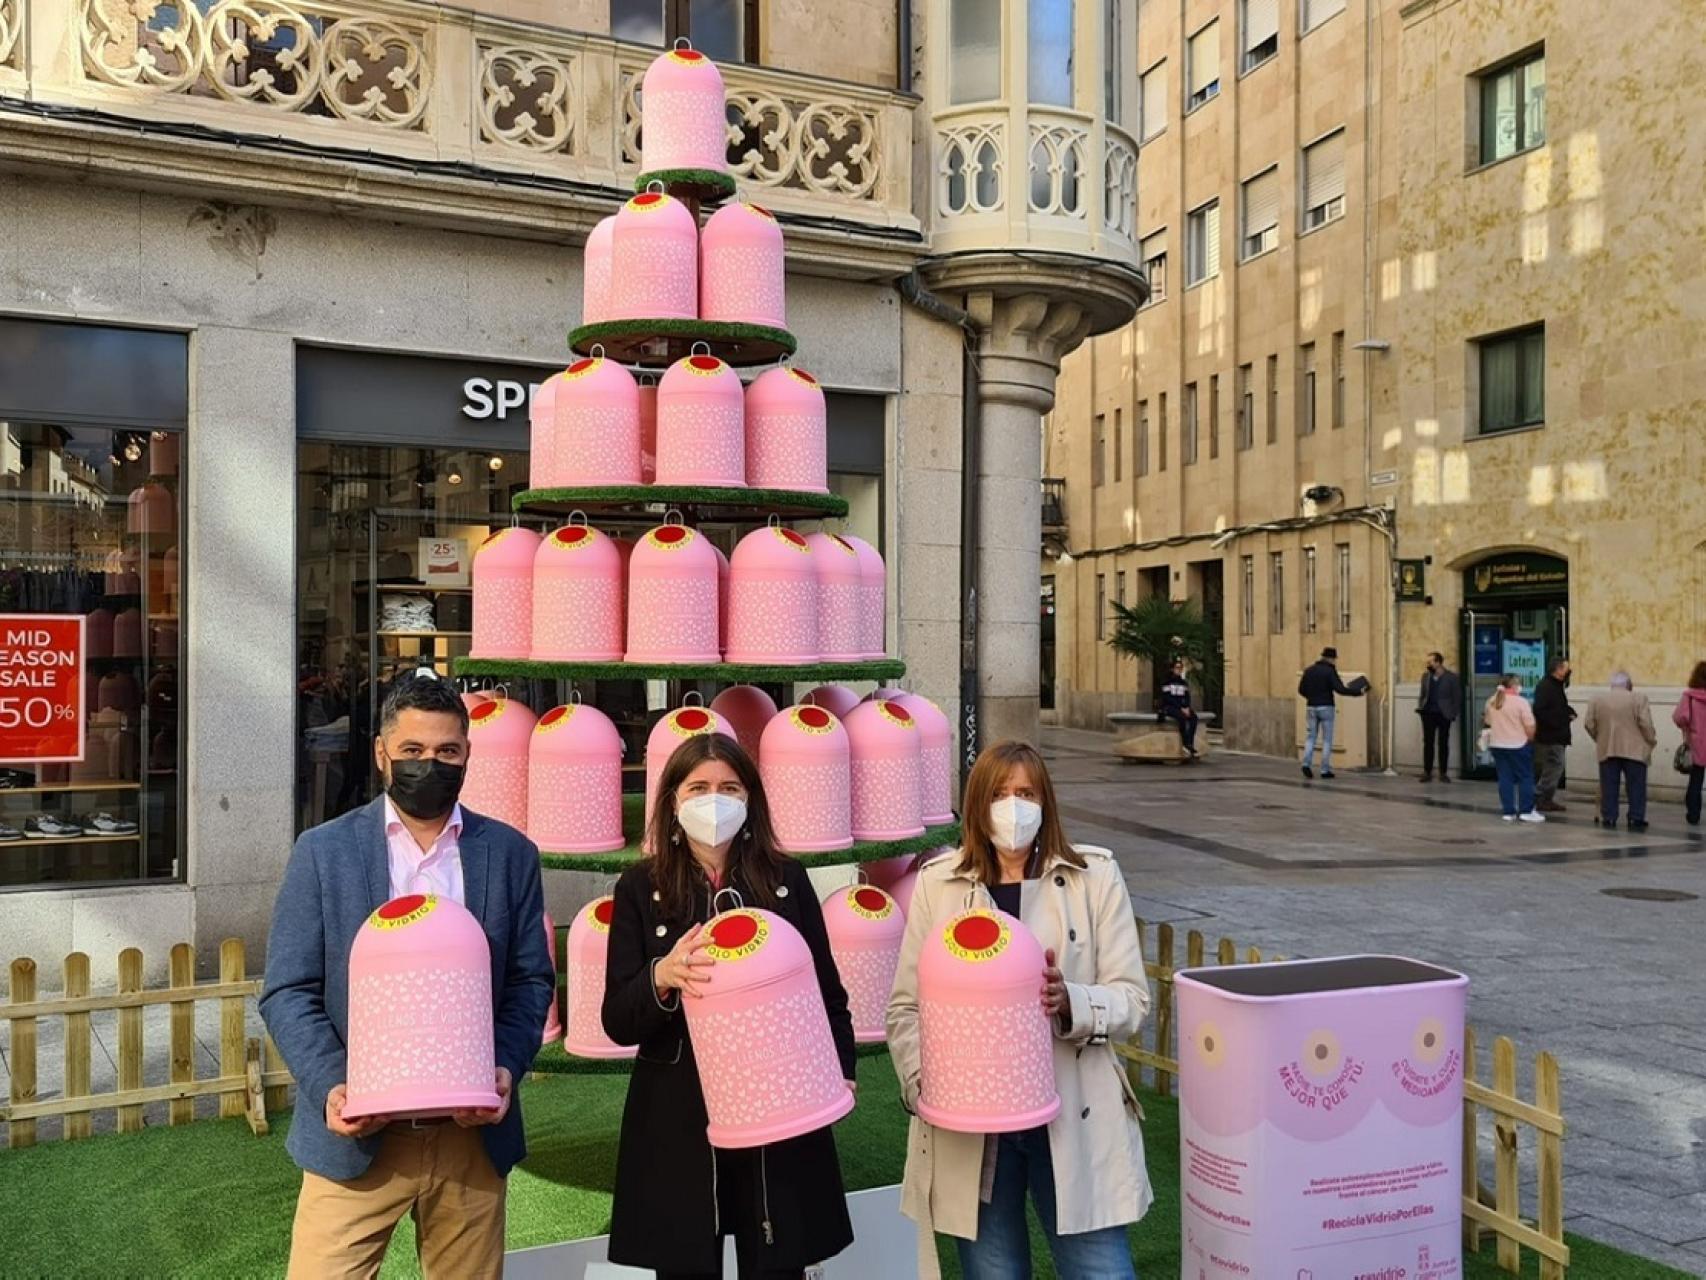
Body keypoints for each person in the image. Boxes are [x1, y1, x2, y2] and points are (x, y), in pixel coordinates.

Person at [260, 673, 555, 1278]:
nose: (430, 765)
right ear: (381, 753)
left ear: (467, 754)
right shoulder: (323, 852)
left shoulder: (510, 855)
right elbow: (288, 989)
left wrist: (505, 1066)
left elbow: (530, 982)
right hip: (356, 1139)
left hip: (470, 1140)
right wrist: (333, 1086)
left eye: (447, 751)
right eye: (413, 750)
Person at [887, 740, 1151, 1280]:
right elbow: (906, 1007)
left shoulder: (1094, 876)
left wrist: (1071, 1000)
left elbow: (1133, 998)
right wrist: (923, 1083)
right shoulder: (939, 884)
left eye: (1026, 794)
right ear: (977, 804)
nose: (1014, 807)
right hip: (973, 1124)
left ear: (1045, 801)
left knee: (1100, 1268)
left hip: (1071, 1110)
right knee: (994, 1270)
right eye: (999, 794)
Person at [602, 733, 856, 1280]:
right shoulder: (640, 888)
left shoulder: (786, 881)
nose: (714, 800)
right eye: (698, 788)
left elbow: (827, 994)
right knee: (686, 1260)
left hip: (780, 1106)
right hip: (679, 1111)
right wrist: (661, 977)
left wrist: (841, 1071)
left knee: (777, 1256)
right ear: (673, 800)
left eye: (729, 788)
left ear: (750, 799)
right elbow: (617, 1018)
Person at [1584, 671, 1657, 831]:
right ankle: (1636, 817)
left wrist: (1599, 737)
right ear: (1629, 685)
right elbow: (1646, 724)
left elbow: (1588, 723)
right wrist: (1651, 740)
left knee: (1609, 785)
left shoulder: (1597, 699)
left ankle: (1609, 817)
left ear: (1612, 685)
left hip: (1607, 748)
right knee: (1636, 785)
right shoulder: (1639, 698)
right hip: (1635, 749)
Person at [1483, 674, 1543, 824]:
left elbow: (1488, 721)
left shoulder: (1492, 701)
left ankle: (1508, 811)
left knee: (1505, 778)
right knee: (1525, 777)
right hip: (1518, 744)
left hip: (1497, 744)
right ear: (1515, 685)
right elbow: (1530, 726)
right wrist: (1530, 739)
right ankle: (1526, 811)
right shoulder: (1521, 702)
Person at [1298, 646, 1366, 779]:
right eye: (1334, 659)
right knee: (1327, 739)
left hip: (1311, 707)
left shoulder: (1309, 670)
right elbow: (1340, 689)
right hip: (1326, 707)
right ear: (1331, 659)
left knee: (1310, 737)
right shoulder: (1330, 671)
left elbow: (1301, 689)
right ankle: (1324, 770)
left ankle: (1306, 764)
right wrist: (1357, 692)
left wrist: (1311, 697)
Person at [1530, 657, 1576, 812]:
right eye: (1566, 668)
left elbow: (1558, 706)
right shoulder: (1546, 686)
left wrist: (1568, 712)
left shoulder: (1556, 686)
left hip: (1557, 733)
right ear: (1558, 669)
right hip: (1551, 735)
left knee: (1555, 766)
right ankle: (1541, 796)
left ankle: (1545, 797)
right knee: (1555, 766)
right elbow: (1541, 710)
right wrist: (1560, 721)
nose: (1568, 671)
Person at [1415, 651, 1461, 783]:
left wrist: (1452, 713)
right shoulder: (1426, 677)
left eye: (1430, 662)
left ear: (1438, 663)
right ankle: (1427, 771)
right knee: (1428, 743)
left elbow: (1457, 697)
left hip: (1444, 714)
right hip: (1428, 713)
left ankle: (1443, 772)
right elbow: (1423, 694)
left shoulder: (1451, 677)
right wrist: (1421, 706)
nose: (1428, 664)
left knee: (1443, 743)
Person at [1672, 660, 1706, 826]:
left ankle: (1693, 814)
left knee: (1696, 781)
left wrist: (1688, 726)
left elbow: (1679, 717)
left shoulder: (1689, 697)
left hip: (1696, 743)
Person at [1156, 658, 1201, 759]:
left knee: (1194, 718)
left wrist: (1187, 707)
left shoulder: (1183, 683)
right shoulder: (1167, 682)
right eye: (1177, 667)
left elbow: (1187, 697)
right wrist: (1181, 708)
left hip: (1182, 707)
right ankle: (1185, 743)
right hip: (1170, 707)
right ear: (1172, 669)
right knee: (1182, 718)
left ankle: (1190, 743)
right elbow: (1167, 698)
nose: (1179, 670)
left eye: (1181, 668)